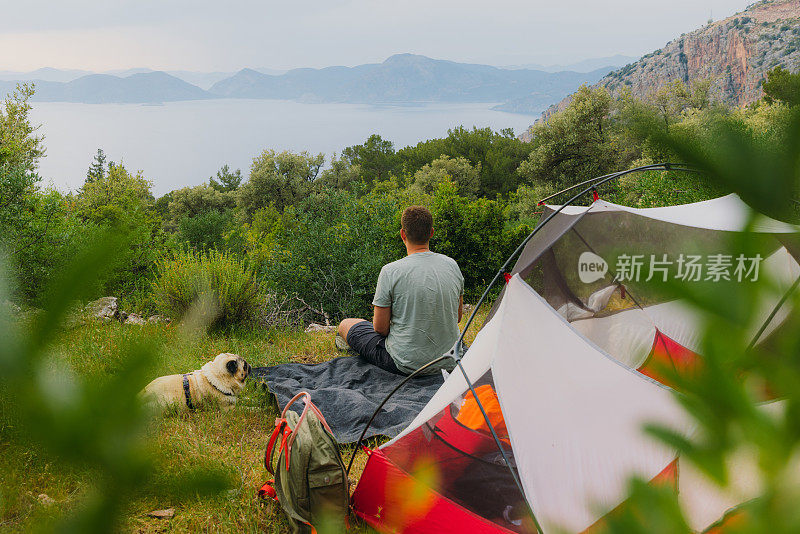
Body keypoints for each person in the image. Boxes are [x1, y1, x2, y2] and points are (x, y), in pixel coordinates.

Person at [337, 205, 464, 375]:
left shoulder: (390, 271)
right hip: (450, 360)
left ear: (403, 234)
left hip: (405, 364)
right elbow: (457, 317)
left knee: (346, 324)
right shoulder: (452, 265)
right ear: (431, 232)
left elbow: (380, 329)